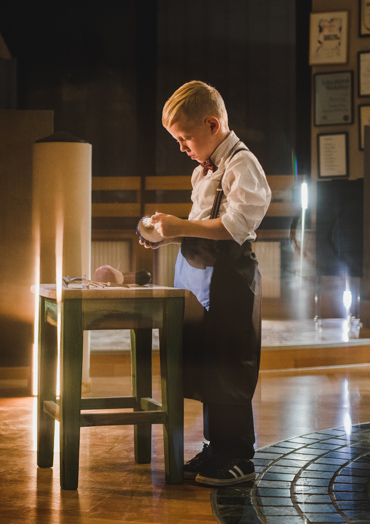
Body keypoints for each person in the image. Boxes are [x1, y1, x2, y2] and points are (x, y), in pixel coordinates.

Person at [140, 80, 271, 487]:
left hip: (230, 279)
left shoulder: (241, 165)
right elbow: (200, 228)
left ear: (212, 124)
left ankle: (239, 456)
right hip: (198, 279)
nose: (181, 147)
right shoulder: (203, 171)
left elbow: (233, 227)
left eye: (185, 137)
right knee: (207, 364)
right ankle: (216, 447)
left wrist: (182, 225)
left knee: (230, 365)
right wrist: (167, 233)